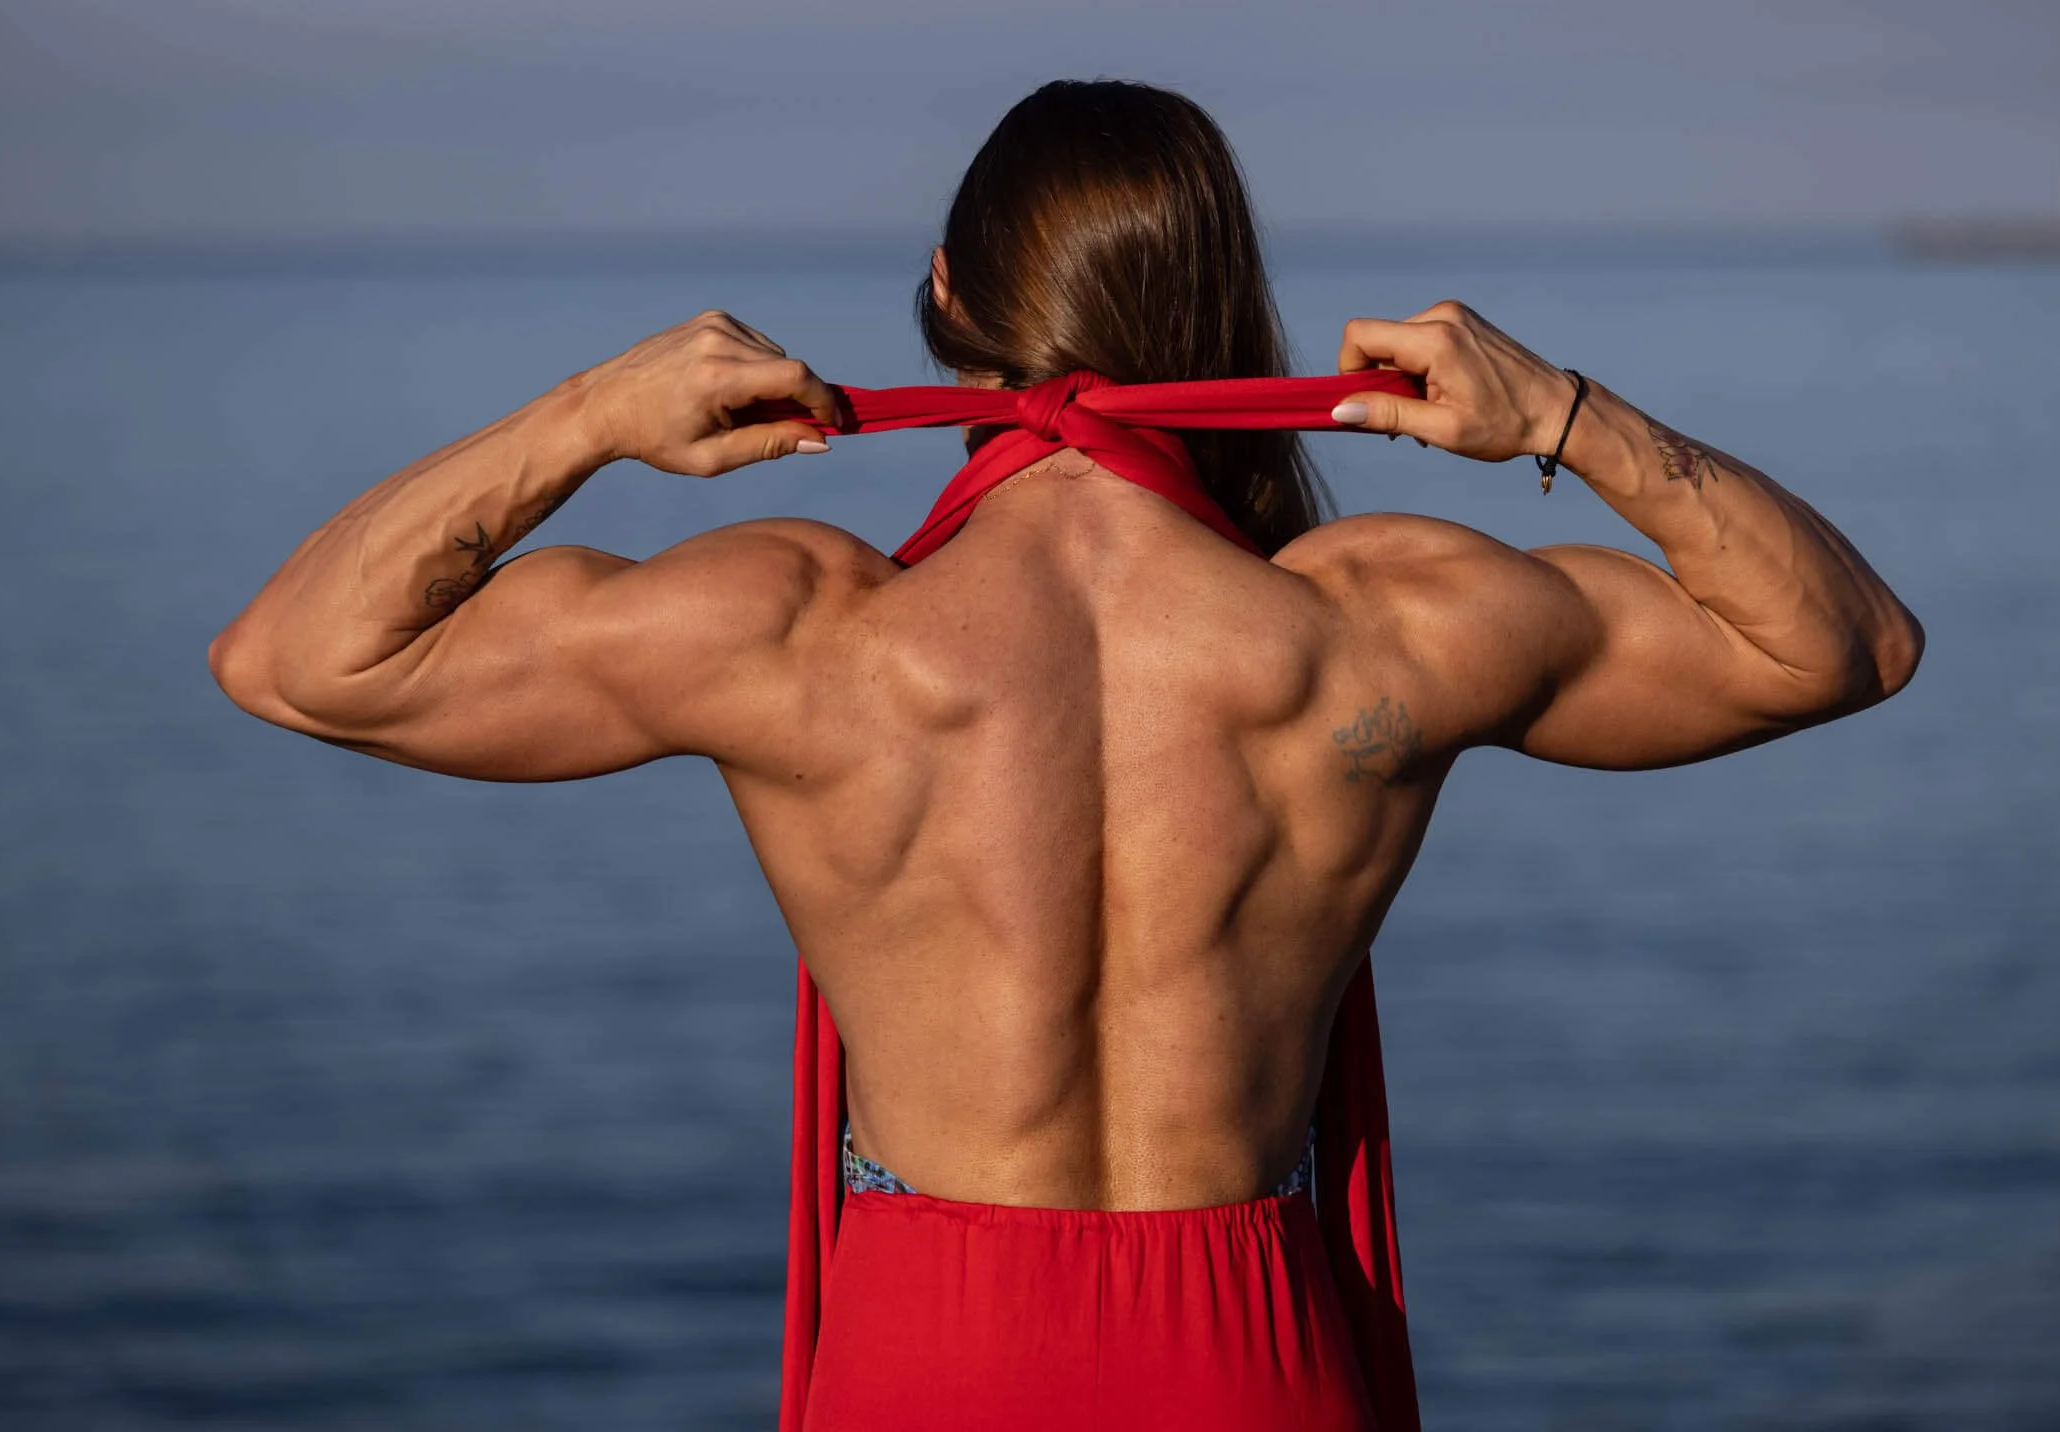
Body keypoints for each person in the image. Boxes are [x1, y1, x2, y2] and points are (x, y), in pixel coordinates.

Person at [209, 80, 1922, 1431]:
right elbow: (1840, 644)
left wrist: (584, 417)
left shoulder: (796, 632)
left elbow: (293, 660)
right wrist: (1559, 415)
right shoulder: (1378, 630)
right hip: (1253, 1360)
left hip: (923, 1356)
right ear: (1222, 318)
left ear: (950, 298)